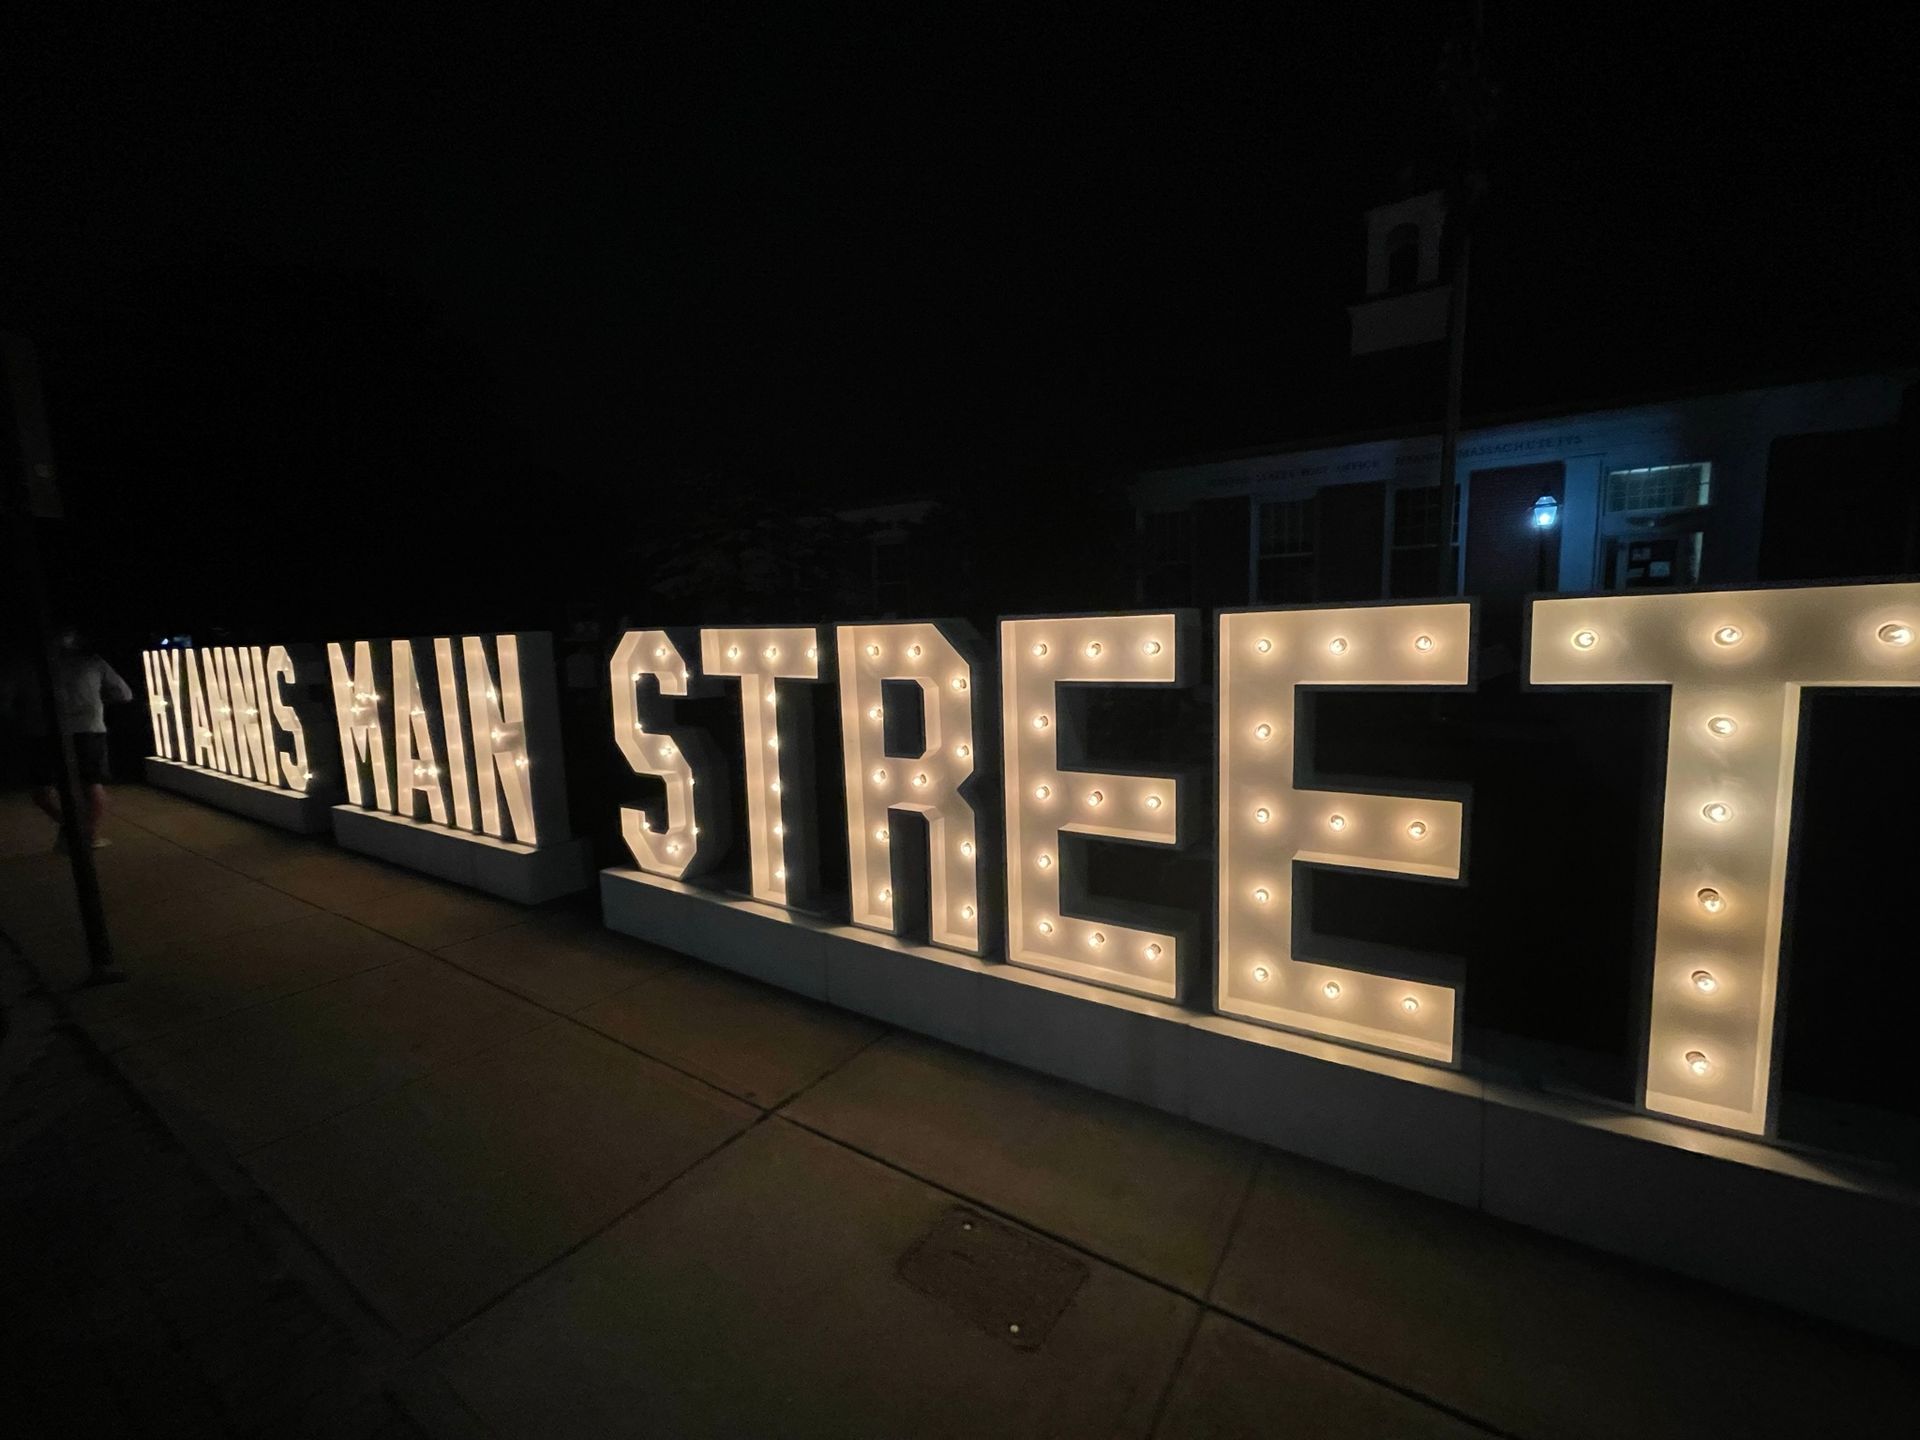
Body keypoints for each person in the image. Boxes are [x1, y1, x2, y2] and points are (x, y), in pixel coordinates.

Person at [1, 626, 133, 848]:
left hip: (42, 732)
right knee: (91, 784)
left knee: (42, 788)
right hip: (87, 729)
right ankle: (87, 834)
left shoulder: (24, 667)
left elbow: (5, 703)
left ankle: (71, 827)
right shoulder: (92, 663)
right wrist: (94, 703)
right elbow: (124, 694)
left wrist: (26, 715)